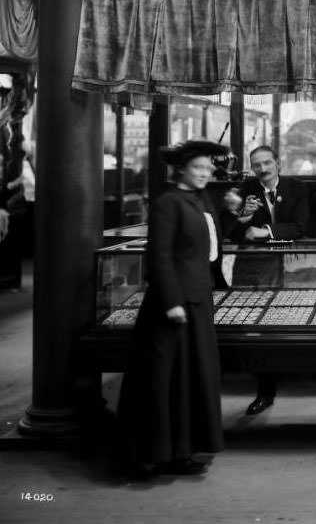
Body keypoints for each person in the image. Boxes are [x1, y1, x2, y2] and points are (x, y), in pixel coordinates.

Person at [116, 139, 228, 477]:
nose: (205, 174)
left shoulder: (201, 199)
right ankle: (152, 454)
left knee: (189, 379)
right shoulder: (168, 203)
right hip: (175, 305)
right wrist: (173, 302)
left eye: (209, 169)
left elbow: (209, 244)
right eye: (198, 168)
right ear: (181, 169)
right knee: (162, 378)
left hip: (199, 300)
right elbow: (159, 256)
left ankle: (183, 450)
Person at [222, 144, 309, 415]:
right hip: (252, 269)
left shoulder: (296, 188)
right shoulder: (245, 190)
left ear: (278, 163)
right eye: (257, 164)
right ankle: (265, 390)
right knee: (256, 326)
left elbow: (300, 227)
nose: (262, 169)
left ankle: (290, 377)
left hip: (288, 267)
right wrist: (244, 217)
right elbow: (233, 235)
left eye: (267, 163)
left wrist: (265, 232)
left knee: (283, 321)